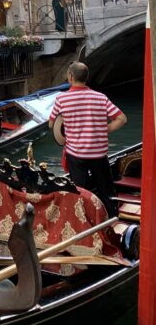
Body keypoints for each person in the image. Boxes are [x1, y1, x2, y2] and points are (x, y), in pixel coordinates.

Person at [48, 61, 127, 215]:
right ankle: (111, 219)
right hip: (99, 154)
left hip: (76, 155)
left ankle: (83, 222)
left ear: (71, 77)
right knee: (106, 192)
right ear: (86, 78)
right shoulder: (100, 97)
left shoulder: (61, 100)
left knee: (79, 192)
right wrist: (104, 129)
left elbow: (52, 124)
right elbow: (122, 119)